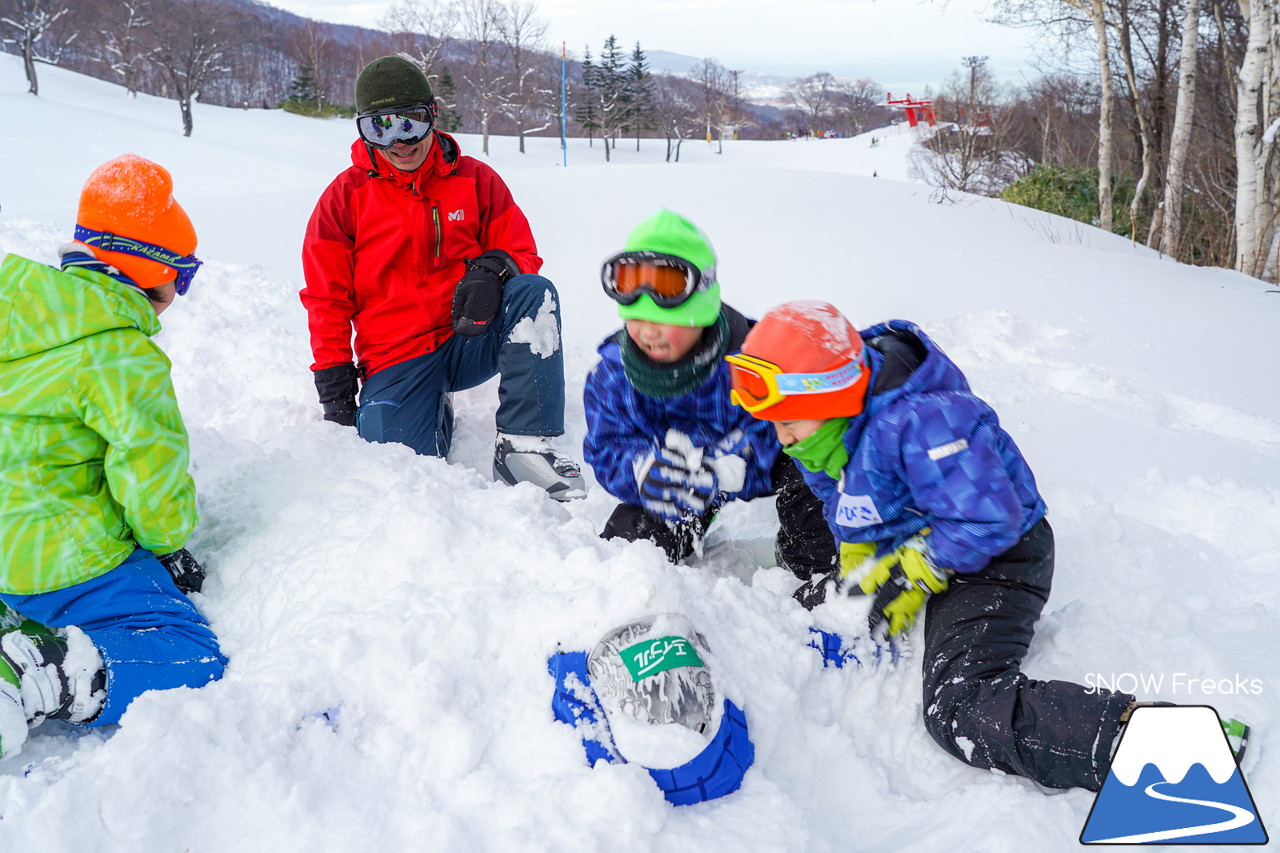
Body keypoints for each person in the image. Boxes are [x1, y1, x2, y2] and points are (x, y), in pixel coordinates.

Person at [725, 299, 1140, 791]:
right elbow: (847, 503)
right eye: (774, 422)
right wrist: (858, 562)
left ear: (831, 396)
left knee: (961, 709)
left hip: (999, 557)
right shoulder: (821, 435)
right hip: (913, 548)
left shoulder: (924, 421)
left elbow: (990, 517)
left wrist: (918, 566)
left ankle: (1138, 740)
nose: (783, 437)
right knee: (809, 610)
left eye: (789, 420)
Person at [0, 154, 226, 758]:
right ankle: (40, 671)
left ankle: (11, 621)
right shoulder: (123, 355)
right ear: (148, 273)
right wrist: (167, 543)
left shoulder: (15, 314)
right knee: (189, 654)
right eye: (182, 275)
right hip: (60, 555)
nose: (177, 293)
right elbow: (150, 474)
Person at [301, 55, 583, 501]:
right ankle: (431, 405)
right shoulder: (344, 199)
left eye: (409, 123)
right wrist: (335, 390)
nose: (398, 141)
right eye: (380, 128)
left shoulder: (475, 180)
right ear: (363, 130)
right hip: (396, 356)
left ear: (432, 115)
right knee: (399, 472)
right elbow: (326, 298)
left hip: (470, 335)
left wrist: (496, 268)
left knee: (534, 294)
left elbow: (524, 252)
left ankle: (523, 447)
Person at [583, 211, 835, 576]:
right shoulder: (613, 376)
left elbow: (784, 427)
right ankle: (636, 596)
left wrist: (725, 467)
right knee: (631, 545)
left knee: (814, 480)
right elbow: (606, 449)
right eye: (636, 320)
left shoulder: (754, 358)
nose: (649, 333)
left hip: (754, 467)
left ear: (699, 314)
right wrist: (642, 474)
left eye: (664, 323)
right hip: (679, 481)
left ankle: (808, 573)